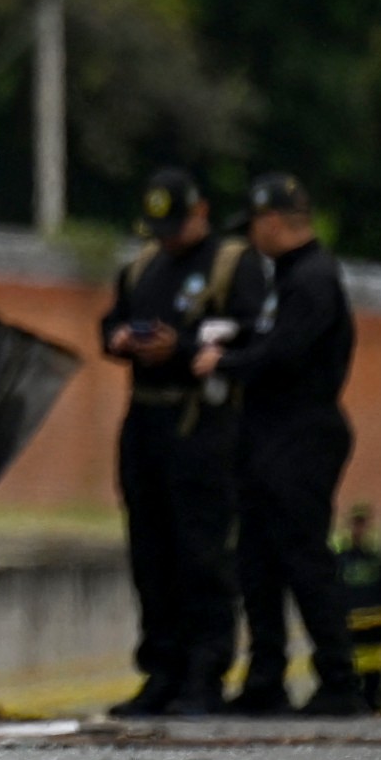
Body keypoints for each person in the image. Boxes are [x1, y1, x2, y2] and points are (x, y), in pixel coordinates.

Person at [195, 172, 364, 716]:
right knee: (258, 559)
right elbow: (273, 341)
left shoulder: (312, 278)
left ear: (273, 222)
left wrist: (227, 362)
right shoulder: (288, 278)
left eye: (254, 228)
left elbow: (286, 355)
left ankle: (339, 680)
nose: (250, 240)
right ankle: (266, 678)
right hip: (269, 434)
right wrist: (239, 338)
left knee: (303, 556)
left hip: (301, 433)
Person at [101, 168, 266, 717]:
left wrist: (182, 346)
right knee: (150, 553)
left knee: (202, 552)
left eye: (176, 225)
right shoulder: (144, 266)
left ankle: (205, 672)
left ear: (202, 212)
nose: (167, 237)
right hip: (145, 422)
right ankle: (161, 670)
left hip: (199, 424)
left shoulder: (232, 264)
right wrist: (122, 339)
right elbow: (111, 321)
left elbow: (251, 336)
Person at [334, 503, 381, 712]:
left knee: (375, 677)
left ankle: (373, 710)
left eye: (362, 524)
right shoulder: (338, 561)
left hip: (375, 630)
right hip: (348, 629)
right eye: (355, 524)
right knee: (348, 672)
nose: (358, 529)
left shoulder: (378, 561)